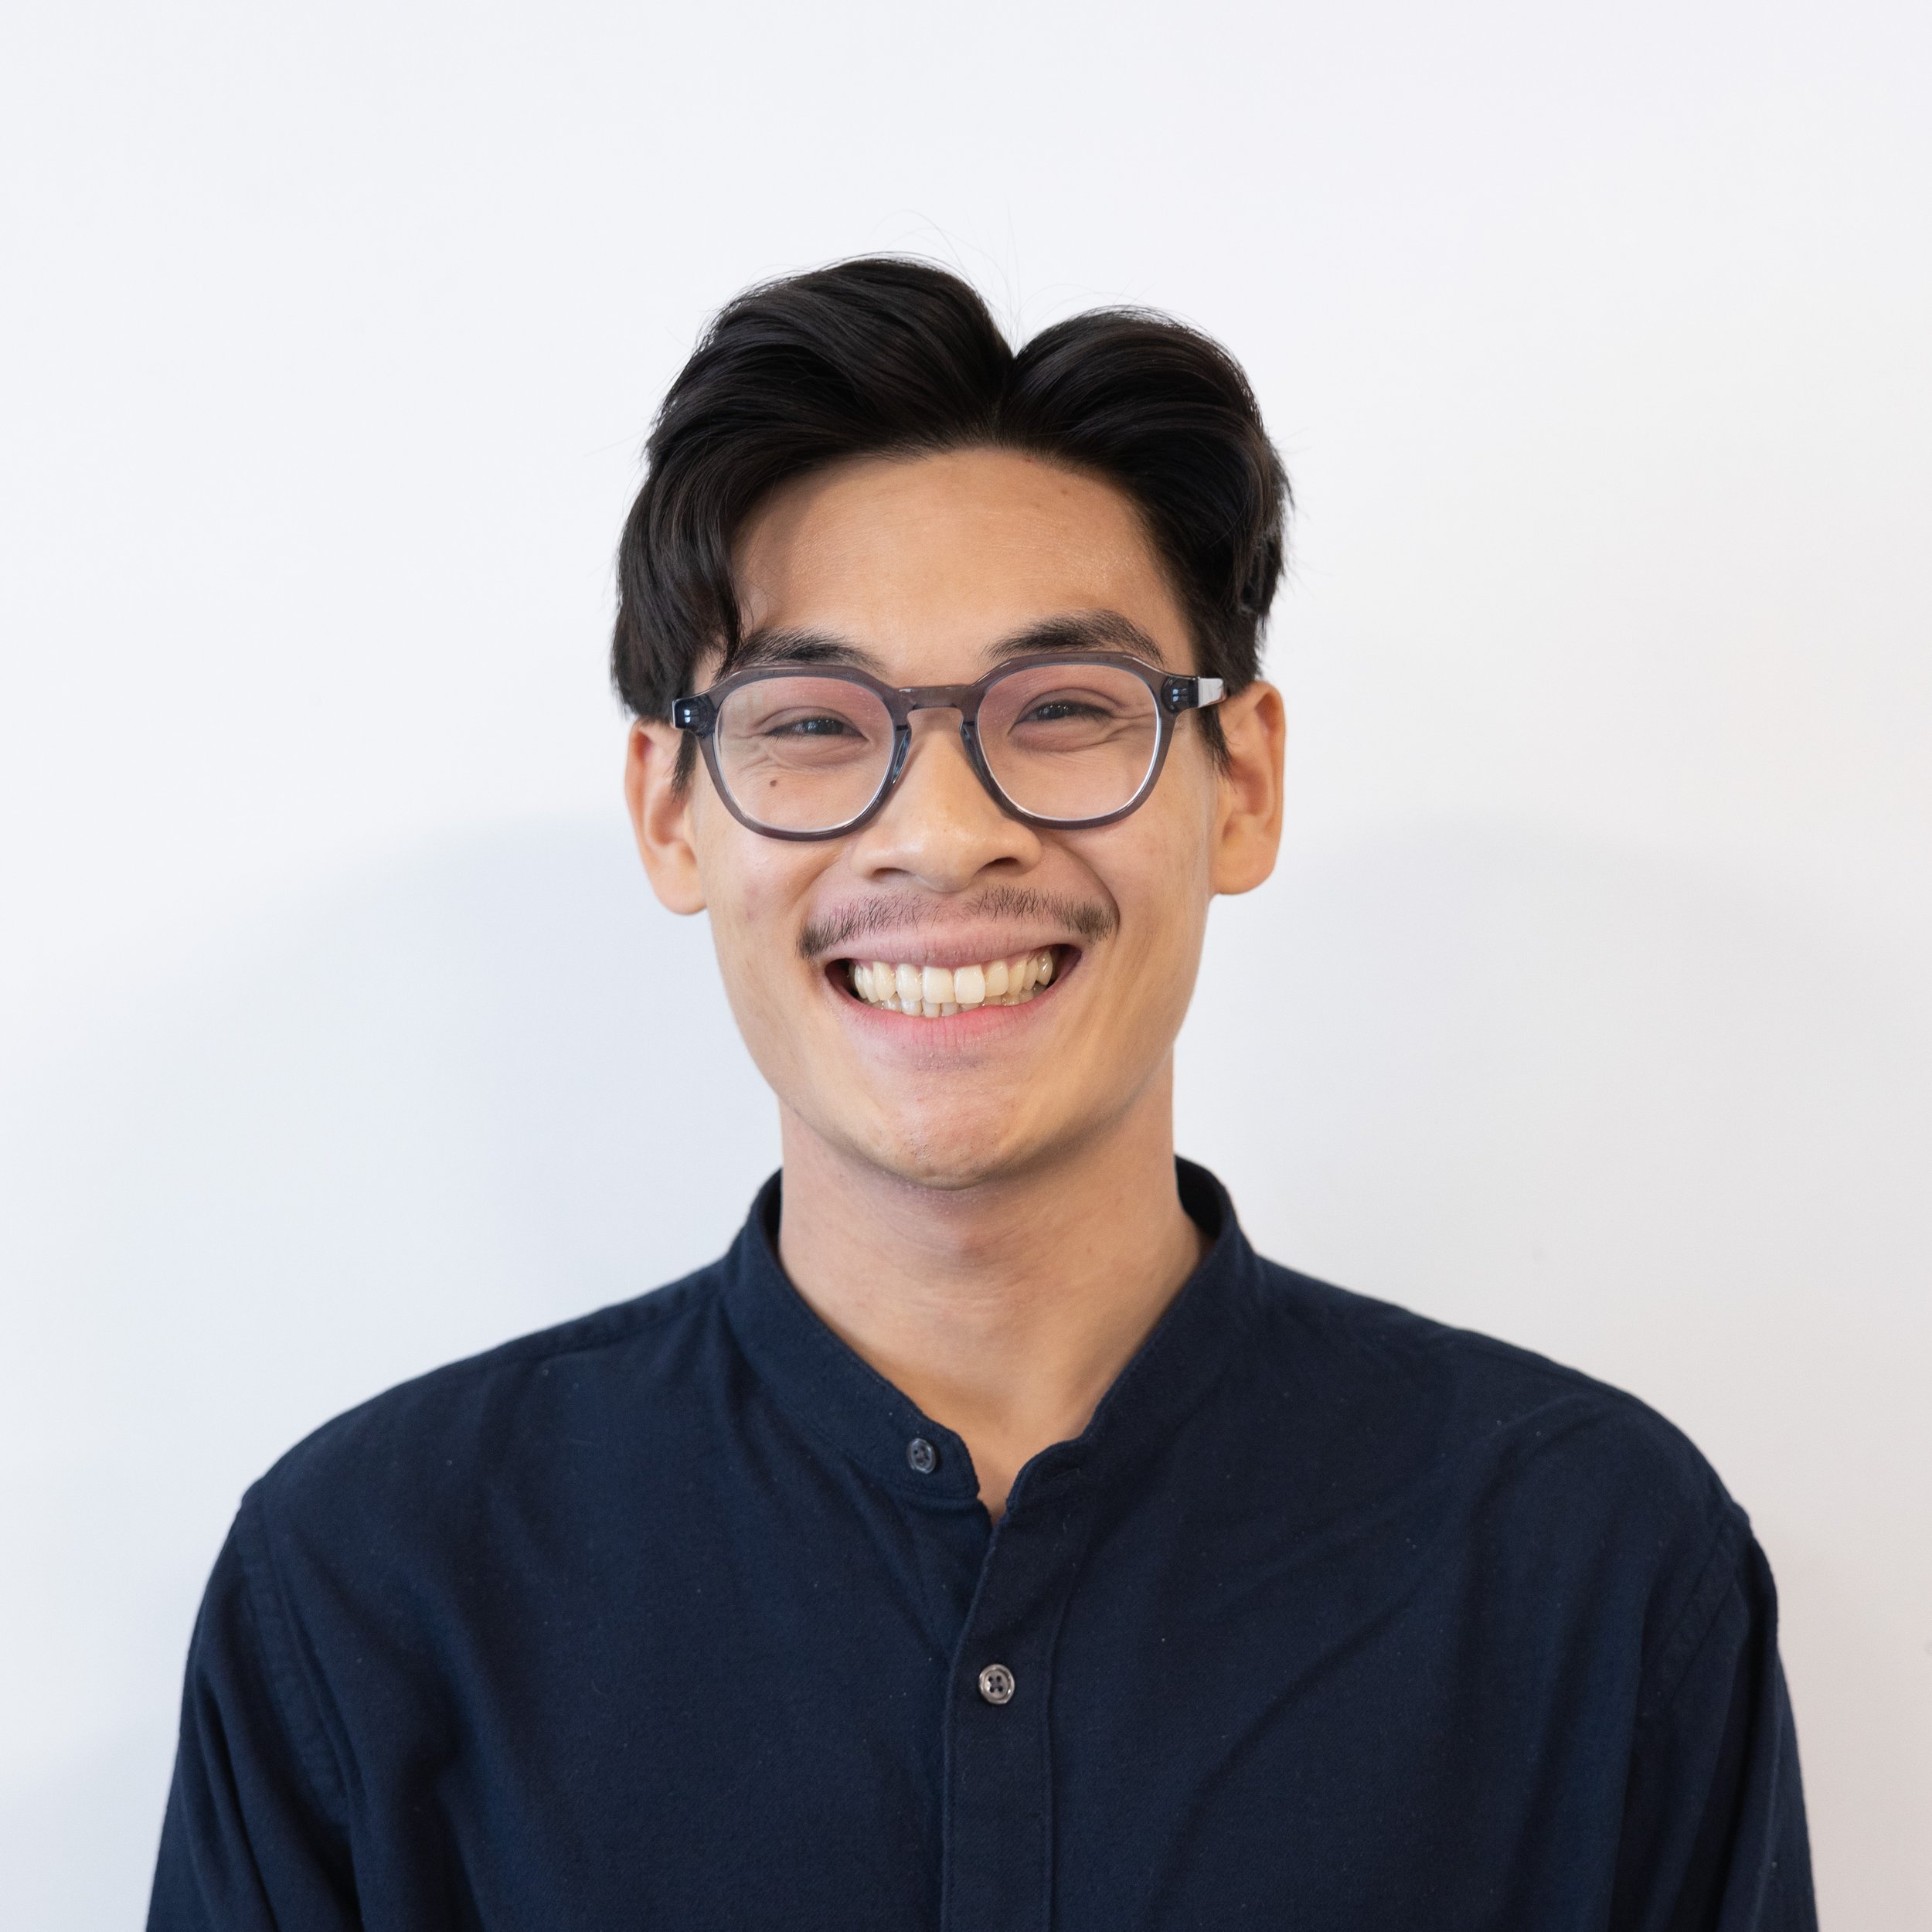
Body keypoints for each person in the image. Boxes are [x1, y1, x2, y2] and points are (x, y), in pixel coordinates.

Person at [149, 257, 1815, 1930]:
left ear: (1240, 783)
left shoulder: (1593, 1565)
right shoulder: (370, 1585)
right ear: (671, 811)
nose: (943, 836)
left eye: (1066, 709)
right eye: (812, 721)